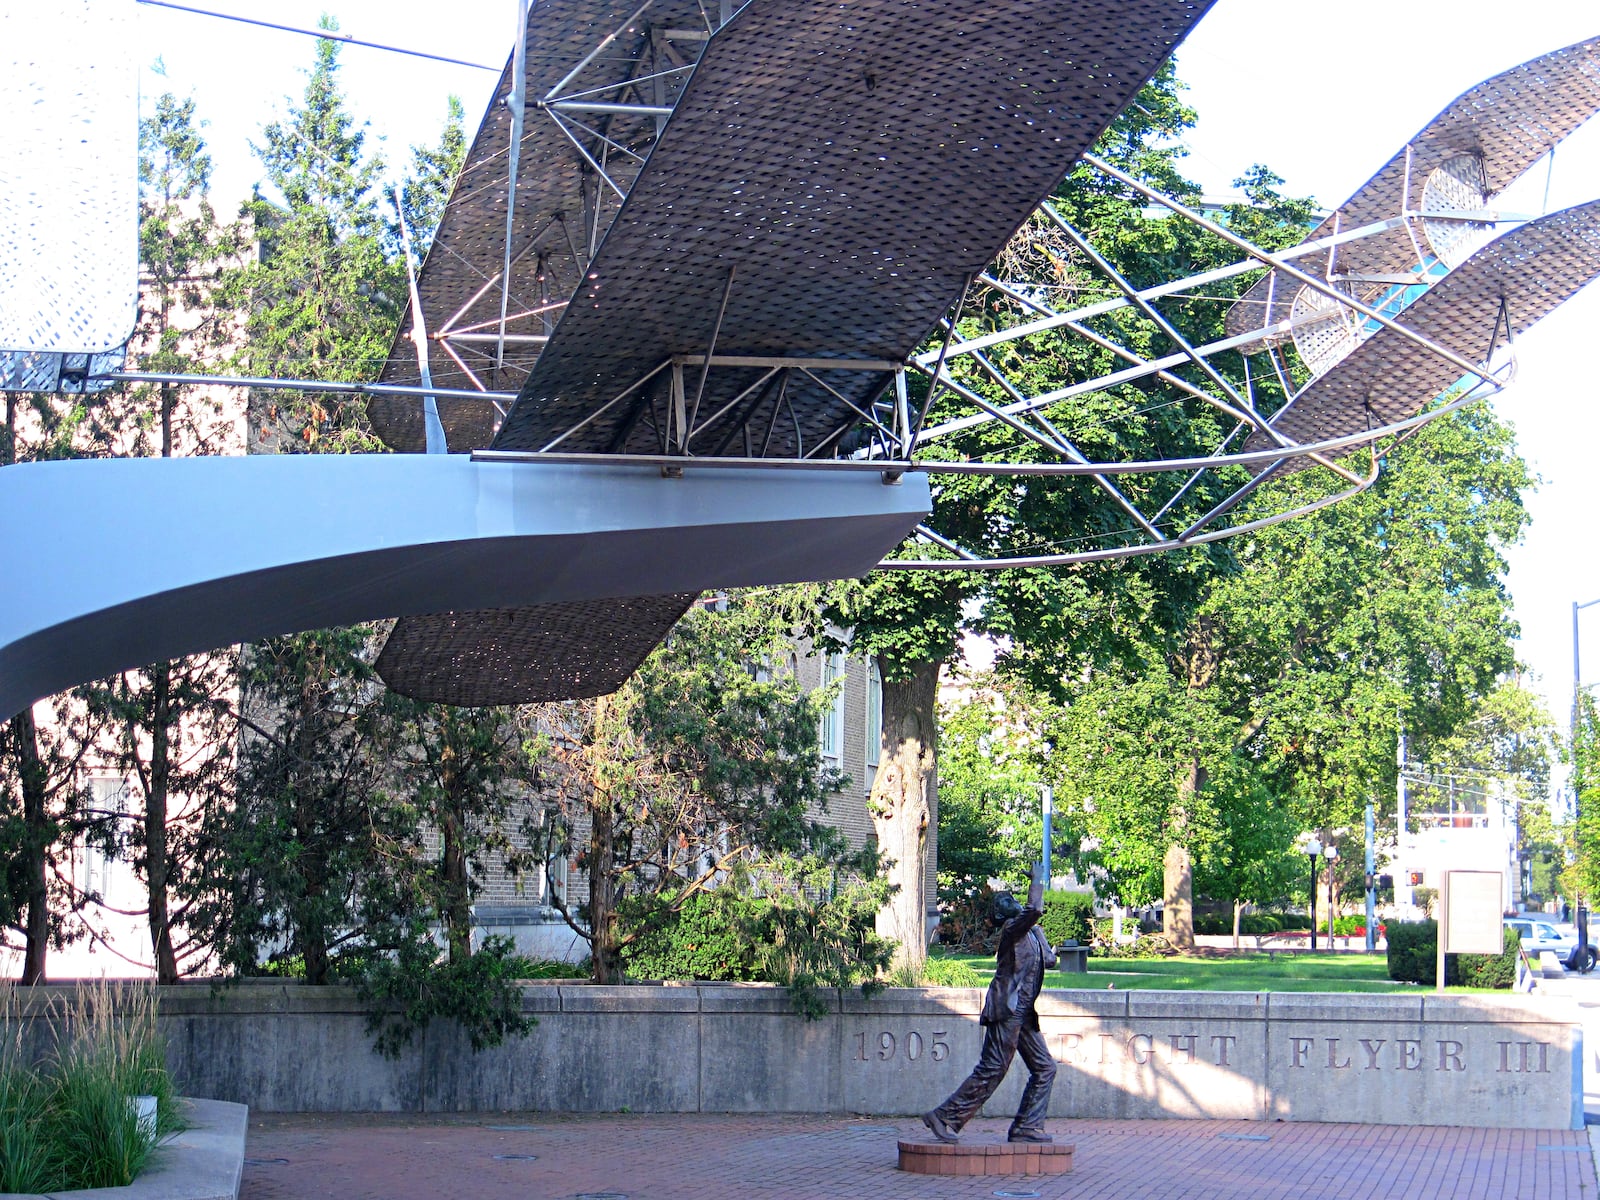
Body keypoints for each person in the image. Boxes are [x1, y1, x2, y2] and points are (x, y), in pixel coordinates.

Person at [922, 864, 1058, 1144]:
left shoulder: (1029, 933)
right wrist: (1037, 881)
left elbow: (1050, 960)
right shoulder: (1012, 928)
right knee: (993, 1067)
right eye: (1006, 901)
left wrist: (1040, 933)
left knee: (1045, 1067)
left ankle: (1026, 1127)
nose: (1013, 901)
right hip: (1006, 1009)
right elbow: (1033, 910)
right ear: (1000, 914)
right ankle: (944, 1116)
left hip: (1023, 1013)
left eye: (1012, 897)